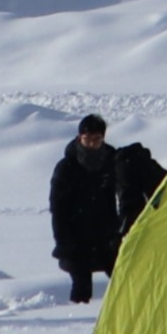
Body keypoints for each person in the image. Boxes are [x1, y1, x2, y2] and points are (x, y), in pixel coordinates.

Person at [49, 114, 119, 304]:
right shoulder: (67, 167)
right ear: (80, 137)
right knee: (81, 286)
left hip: (107, 236)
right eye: (87, 139)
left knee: (124, 280)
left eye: (97, 140)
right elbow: (58, 209)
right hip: (76, 239)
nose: (91, 144)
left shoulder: (112, 161)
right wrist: (63, 242)